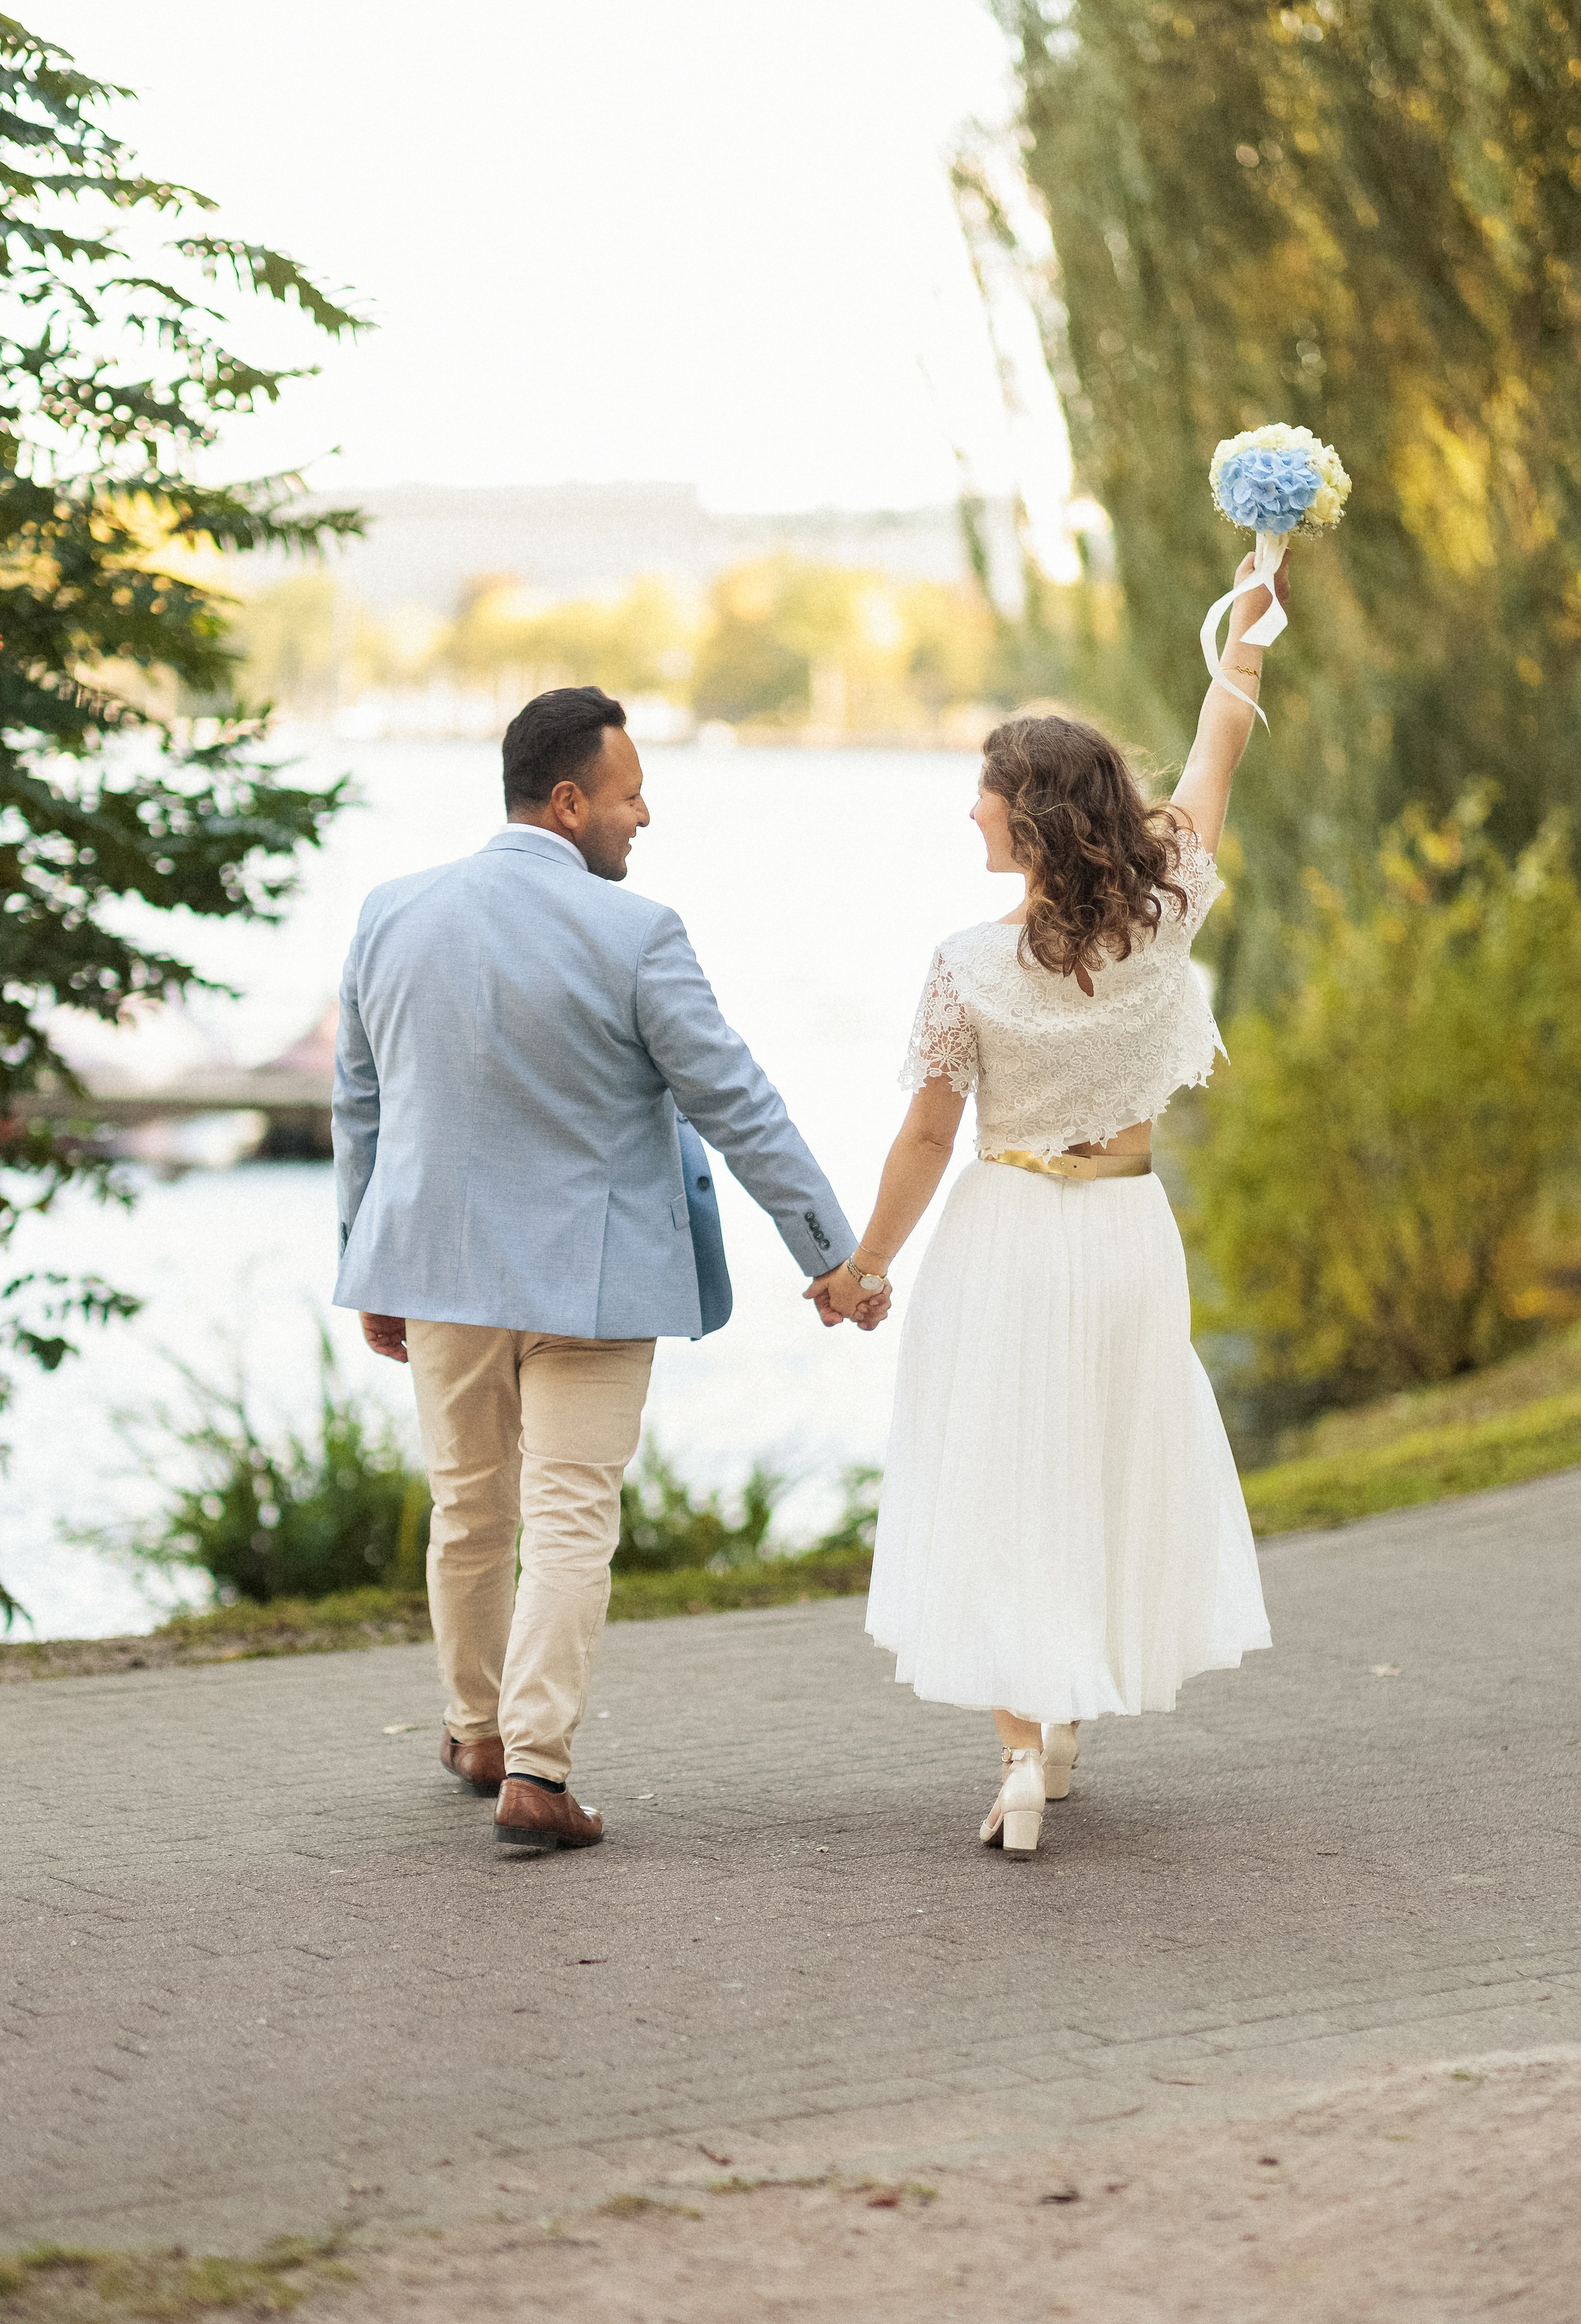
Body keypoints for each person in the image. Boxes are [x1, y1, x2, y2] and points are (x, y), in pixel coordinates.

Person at [333, 686, 886, 1857]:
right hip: (592, 1285)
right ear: (572, 799)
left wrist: (365, 1260)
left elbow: (361, 1108)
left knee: (470, 1509)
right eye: (630, 795)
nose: (645, 816)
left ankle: (475, 1730)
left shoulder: (390, 913)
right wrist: (834, 1254)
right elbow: (733, 1099)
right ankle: (536, 1767)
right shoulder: (636, 934)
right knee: (571, 1516)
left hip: (436, 1273)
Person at [821, 551, 1285, 1858]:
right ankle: (1063, 1720)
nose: (967, 818)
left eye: (980, 798)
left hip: (1006, 1231)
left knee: (1006, 1475)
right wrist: (1247, 612)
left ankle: (1022, 1755)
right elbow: (1221, 732)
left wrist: (865, 1265)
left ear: (1024, 814)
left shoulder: (965, 967)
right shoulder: (1171, 901)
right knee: (1094, 1454)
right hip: (1127, 1229)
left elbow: (926, 1131)